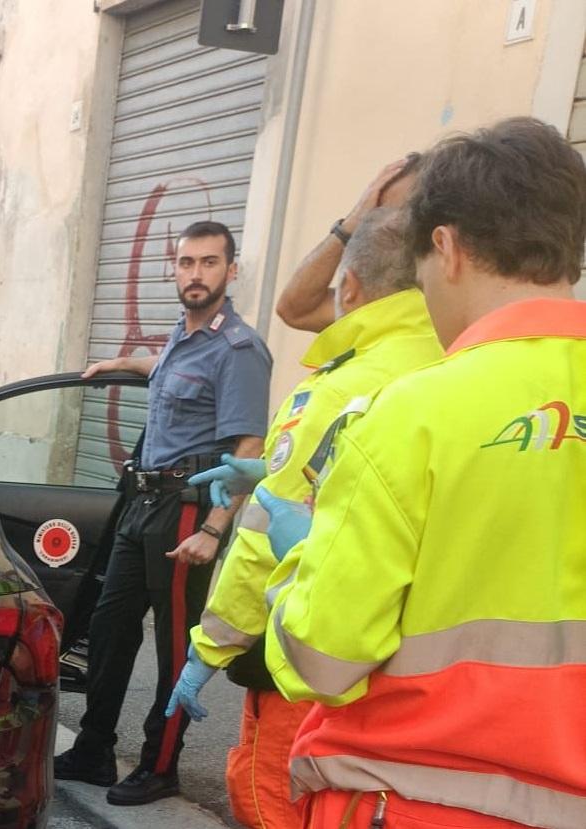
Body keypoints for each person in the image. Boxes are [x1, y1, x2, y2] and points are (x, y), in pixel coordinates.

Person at [260, 117, 586, 828]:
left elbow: (323, 657)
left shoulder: (408, 414)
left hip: (414, 800)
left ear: (445, 247)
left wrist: (298, 560)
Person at [169, 207, 443, 829]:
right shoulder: (450, 369)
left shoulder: (338, 389)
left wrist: (210, 649)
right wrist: (269, 468)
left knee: (272, 796)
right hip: (417, 666)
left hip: (317, 650)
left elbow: (267, 534)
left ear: (349, 288)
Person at [54, 221, 273, 806]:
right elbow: (165, 371)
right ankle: (94, 748)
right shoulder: (184, 334)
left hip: (186, 509)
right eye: (185, 263)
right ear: (173, 270)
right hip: (143, 503)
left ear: (231, 271)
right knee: (109, 627)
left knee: (174, 644)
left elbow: (248, 448)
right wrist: (119, 363)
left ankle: (159, 764)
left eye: (208, 263)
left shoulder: (240, 350)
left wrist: (212, 529)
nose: (195, 274)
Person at [275, 154, 420, 333]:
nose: (384, 224)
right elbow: (295, 311)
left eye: (400, 215)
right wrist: (351, 223)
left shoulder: (451, 296)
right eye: (377, 212)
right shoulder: (381, 293)